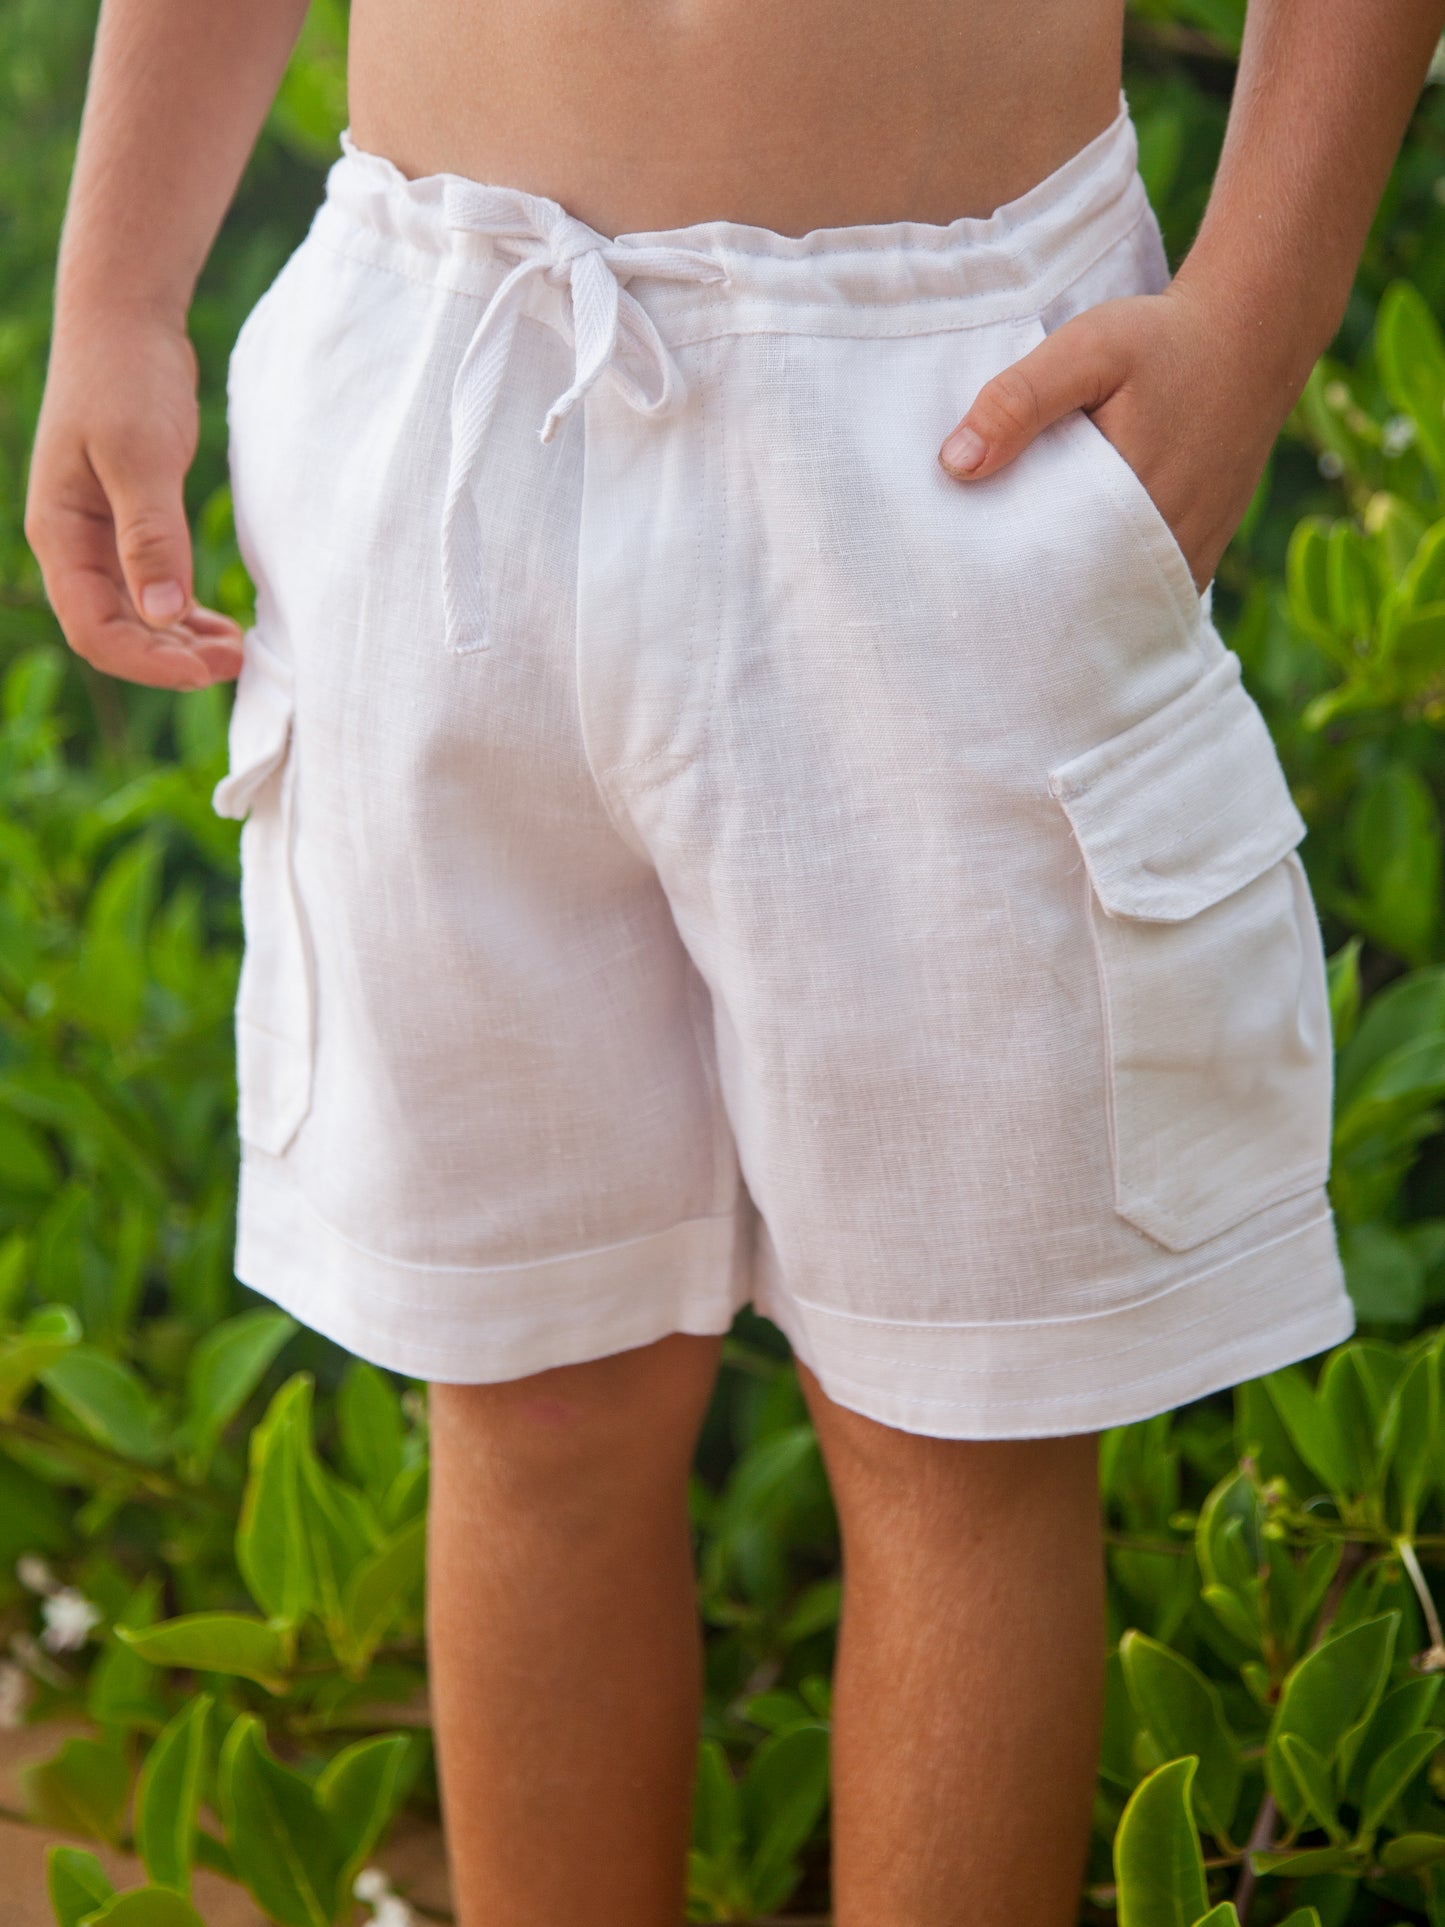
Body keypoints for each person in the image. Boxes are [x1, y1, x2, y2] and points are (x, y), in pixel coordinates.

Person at [22, 1, 1444, 1920]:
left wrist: (1250, 326)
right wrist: (114, 292)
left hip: (947, 418)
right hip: (441, 385)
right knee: (530, 1392)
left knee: (960, 1419)